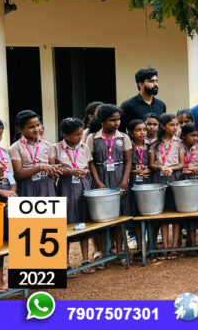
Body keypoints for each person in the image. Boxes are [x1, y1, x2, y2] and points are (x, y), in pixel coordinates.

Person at [86, 105, 133, 259]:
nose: (116, 123)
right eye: (112, 120)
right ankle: (102, 250)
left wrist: (124, 181)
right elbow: (90, 161)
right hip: (100, 177)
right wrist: (97, 182)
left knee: (119, 215)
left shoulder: (123, 137)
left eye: (118, 119)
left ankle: (119, 249)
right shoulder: (92, 138)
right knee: (100, 216)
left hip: (119, 177)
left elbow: (128, 161)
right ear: (102, 121)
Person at [52, 118, 94, 275]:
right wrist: (70, 172)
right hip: (65, 186)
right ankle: (65, 263)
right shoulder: (56, 148)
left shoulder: (84, 147)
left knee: (84, 222)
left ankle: (86, 259)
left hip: (83, 184)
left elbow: (88, 166)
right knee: (66, 224)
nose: (80, 137)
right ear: (66, 135)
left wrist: (85, 172)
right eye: (77, 134)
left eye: (81, 133)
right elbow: (54, 170)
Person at [149, 113, 183, 260]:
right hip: (159, 177)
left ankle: (174, 247)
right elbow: (151, 163)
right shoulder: (155, 143)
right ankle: (165, 247)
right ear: (163, 126)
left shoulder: (179, 142)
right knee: (163, 212)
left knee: (175, 211)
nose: (175, 128)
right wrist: (161, 168)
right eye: (171, 125)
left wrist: (172, 169)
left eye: (176, 125)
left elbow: (182, 163)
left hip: (175, 177)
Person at [10, 110, 59, 196]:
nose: (36, 129)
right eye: (31, 127)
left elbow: (52, 168)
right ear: (20, 129)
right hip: (27, 185)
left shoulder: (48, 145)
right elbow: (17, 174)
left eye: (38, 125)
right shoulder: (15, 148)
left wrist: (55, 171)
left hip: (47, 184)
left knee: (50, 210)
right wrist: (40, 167)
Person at [179, 123, 198, 250]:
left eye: (197, 135)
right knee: (189, 212)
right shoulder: (179, 147)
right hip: (185, 181)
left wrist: (195, 170)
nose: (195, 138)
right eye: (192, 135)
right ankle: (191, 242)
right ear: (184, 136)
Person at [128, 119, 151, 256]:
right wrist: (134, 171)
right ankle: (139, 248)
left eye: (144, 129)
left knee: (148, 213)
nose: (142, 133)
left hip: (148, 182)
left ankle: (150, 246)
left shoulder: (151, 145)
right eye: (138, 130)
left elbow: (155, 163)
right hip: (133, 182)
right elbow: (124, 165)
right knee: (136, 215)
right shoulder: (128, 146)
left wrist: (149, 170)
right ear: (131, 132)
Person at [0, 119, 17, 292]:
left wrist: (12, 190)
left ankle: (1, 280)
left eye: (0, 134)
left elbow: (10, 175)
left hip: (7, 197)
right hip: (0, 195)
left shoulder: (3, 152)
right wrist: (2, 192)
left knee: (5, 239)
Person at [119, 68, 166, 132]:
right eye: (151, 81)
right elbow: (121, 130)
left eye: (156, 81)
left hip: (157, 141)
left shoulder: (161, 105)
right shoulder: (128, 105)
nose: (155, 84)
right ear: (141, 84)